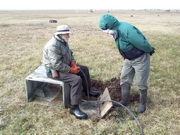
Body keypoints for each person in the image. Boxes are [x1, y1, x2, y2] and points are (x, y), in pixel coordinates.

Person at [99, 14, 155, 113]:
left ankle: (142, 104)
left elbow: (141, 43)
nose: (107, 32)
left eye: (106, 29)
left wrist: (149, 49)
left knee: (141, 83)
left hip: (140, 59)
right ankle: (124, 101)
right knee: (124, 79)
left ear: (110, 25)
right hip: (128, 60)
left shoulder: (126, 29)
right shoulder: (115, 31)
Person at [43, 25, 100, 119]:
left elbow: (69, 54)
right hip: (54, 70)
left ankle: (88, 91)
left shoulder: (63, 41)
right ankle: (74, 108)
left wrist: (73, 62)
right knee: (76, 80)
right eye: (67, 34)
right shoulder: (52, 45)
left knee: (84, 69)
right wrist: (70, 70)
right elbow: (56, 64)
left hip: (64, 65)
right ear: (60, 34)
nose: (69, 36)